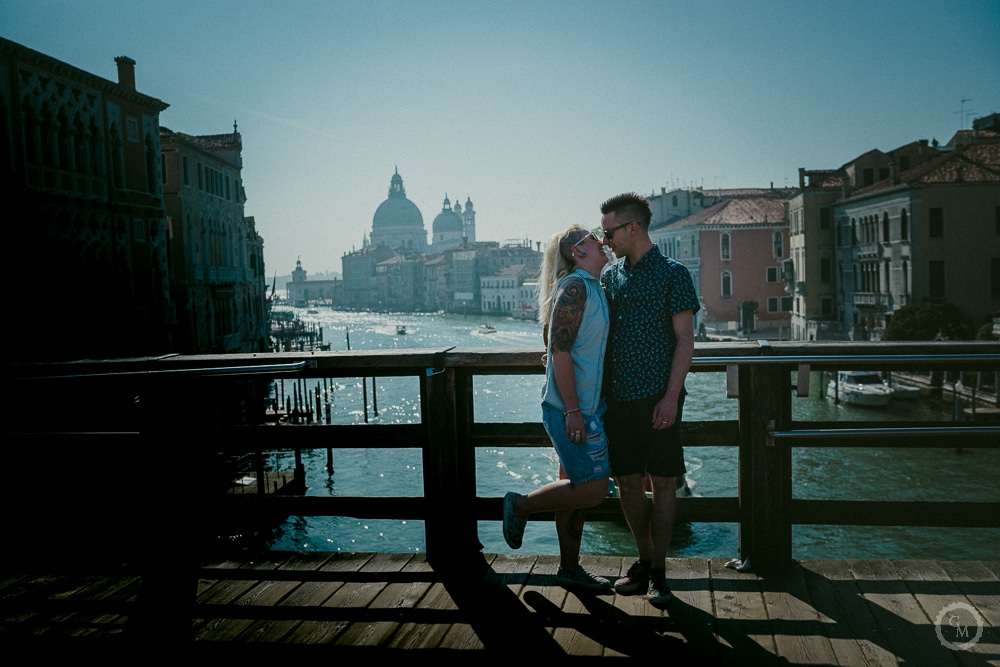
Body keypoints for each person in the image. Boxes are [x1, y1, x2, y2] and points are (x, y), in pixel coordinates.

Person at [597, 192, 700, 605]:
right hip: (617, 400)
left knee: (663, 482)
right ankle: (642, 560)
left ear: (633, 228)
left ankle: (659, 571)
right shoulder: (610, 276)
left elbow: (685, 340)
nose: (605, 241)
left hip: (659, 397)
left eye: (609, 233)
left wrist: (671, 397)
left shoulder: (674, 274)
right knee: (625, 482)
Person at [502, 225, 613, 591]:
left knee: (576, 487)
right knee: (593, 490)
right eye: (592, 236)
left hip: (584, 406)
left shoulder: (592, 287)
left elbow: (555, 342)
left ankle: (569, 568)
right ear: (578, 252)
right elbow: (561, 349)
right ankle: (519, 506)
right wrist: (573, 412)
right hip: (572, 409)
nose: (601, 239)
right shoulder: (576, 287)